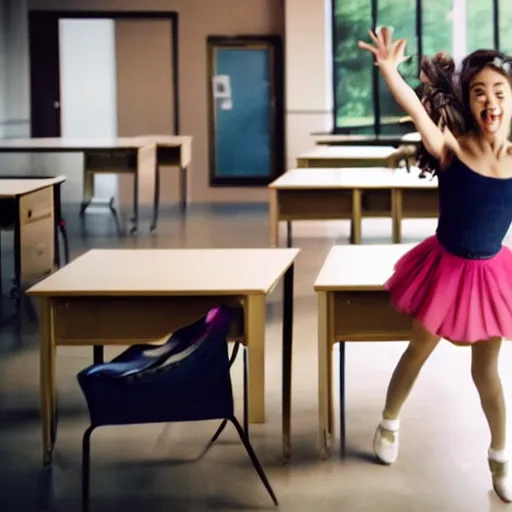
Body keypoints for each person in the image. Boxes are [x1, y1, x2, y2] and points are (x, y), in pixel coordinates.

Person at [358, 26, 512, 502]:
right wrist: (388, 71)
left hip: (491, 272)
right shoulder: (452, 145)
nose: (490, 102)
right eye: (479, 92)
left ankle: (501, 456)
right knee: (418, 351)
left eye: (500, 92)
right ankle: (388, 423)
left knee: (486, 371)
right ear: (468, 99)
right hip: (445, 269)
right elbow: (412, 109)